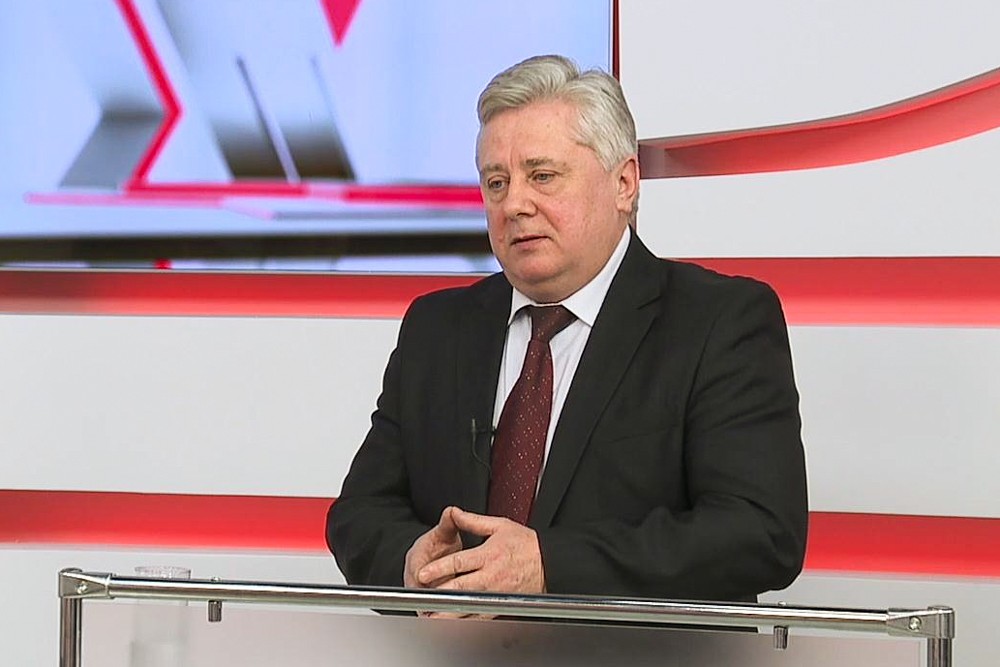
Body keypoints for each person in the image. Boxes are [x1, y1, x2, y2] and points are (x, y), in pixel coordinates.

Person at [327, 55, 807, 604]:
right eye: (496, 183)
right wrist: (412, 561)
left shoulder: (719, 322)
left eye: (543, 176)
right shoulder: (436, 329)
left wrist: (549, 566)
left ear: (624, 183)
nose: (515, 204)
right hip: (454, 647)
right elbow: (360, 515)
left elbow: (759, 533)